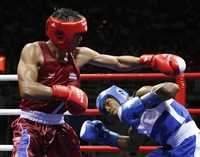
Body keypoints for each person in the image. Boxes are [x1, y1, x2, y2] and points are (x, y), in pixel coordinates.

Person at [11, 7, 186, 157]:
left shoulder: (80, 54)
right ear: (61, 34)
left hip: (59, 125)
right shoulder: (34, 50)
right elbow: (27, 89)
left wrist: (149, 61)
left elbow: (118, 62)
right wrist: (65, 92)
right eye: (77, 35)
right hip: (30, 124)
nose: (81, 39)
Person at [80, 82, 200, 157]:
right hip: (169, 149)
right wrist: (104, 136)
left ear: (118, 94)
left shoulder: (142, 93)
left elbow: (172, 88)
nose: (108, 108)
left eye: (108, 102)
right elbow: (132, 145)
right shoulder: (135, 127)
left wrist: (142, 102)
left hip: (190, 142)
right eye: (104, 110)